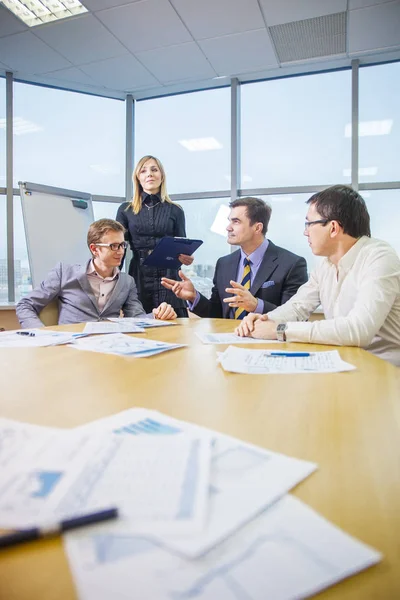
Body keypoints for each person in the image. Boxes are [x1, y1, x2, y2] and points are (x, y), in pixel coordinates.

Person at [236, 185, 400, 367]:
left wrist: (280, 329)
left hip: (385, 372)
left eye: (309, 224)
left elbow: (359, 330)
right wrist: (266, 319)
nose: (305, 232)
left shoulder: (380, 257)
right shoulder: (326, 264)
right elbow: (298, 307)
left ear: (333, 228)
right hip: (345, 363)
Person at [161, 197, 308, 319]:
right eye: (229, 221)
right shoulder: (224, 263)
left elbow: (295, 317)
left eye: (236, 221)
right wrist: (194, 297)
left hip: (267, 346)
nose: (228, 227)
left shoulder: (292, 264)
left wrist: (256, 306)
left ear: (257, 228)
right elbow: (216, 314)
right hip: (227, 343)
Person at [16, 219, 176, 328]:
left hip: (110, 347)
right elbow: (25, 305)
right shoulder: (64, 273)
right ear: (94, 249)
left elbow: (136, 317)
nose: (120, 251)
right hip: (70, 349)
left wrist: (157, 315)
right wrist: (41, 334)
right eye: (113, 246)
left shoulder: (127, 281)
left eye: (122, 245)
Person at [116, 155, 193, 318]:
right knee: (139, 330)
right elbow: (118, 247)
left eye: (154, 169)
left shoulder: (175, 210)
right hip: (139, 277)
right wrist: (111, 280)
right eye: (143, 171)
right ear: (138, 178)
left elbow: (181, 245)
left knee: (175, 328)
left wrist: (186, 257)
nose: (149, 174)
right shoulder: (125, 210)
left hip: (169, 278)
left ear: (161, 176)